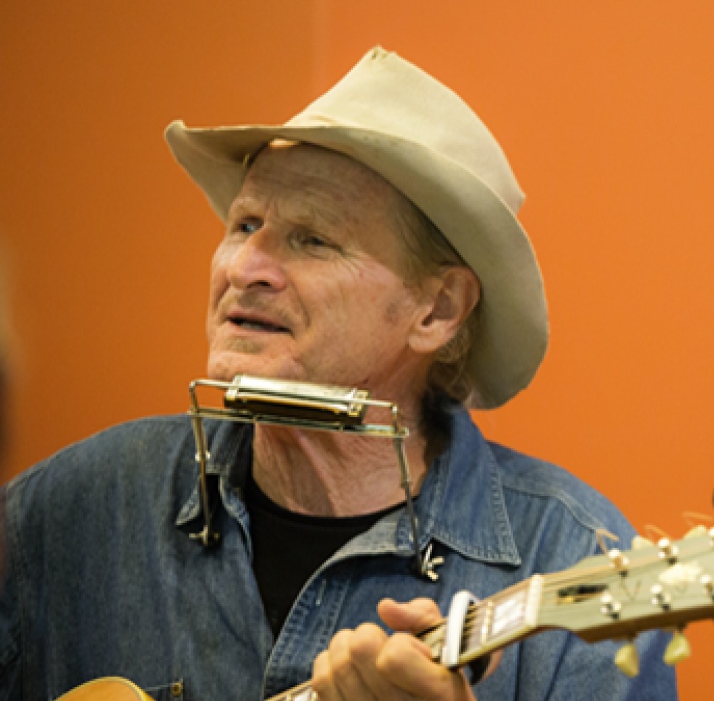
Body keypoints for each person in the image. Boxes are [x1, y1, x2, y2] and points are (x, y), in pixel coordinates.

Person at [0, 48, 677, 701]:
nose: (244, 268)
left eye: (313, 240)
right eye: (245, 224)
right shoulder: (65, 515)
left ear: (437, 310)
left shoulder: (572, 558)